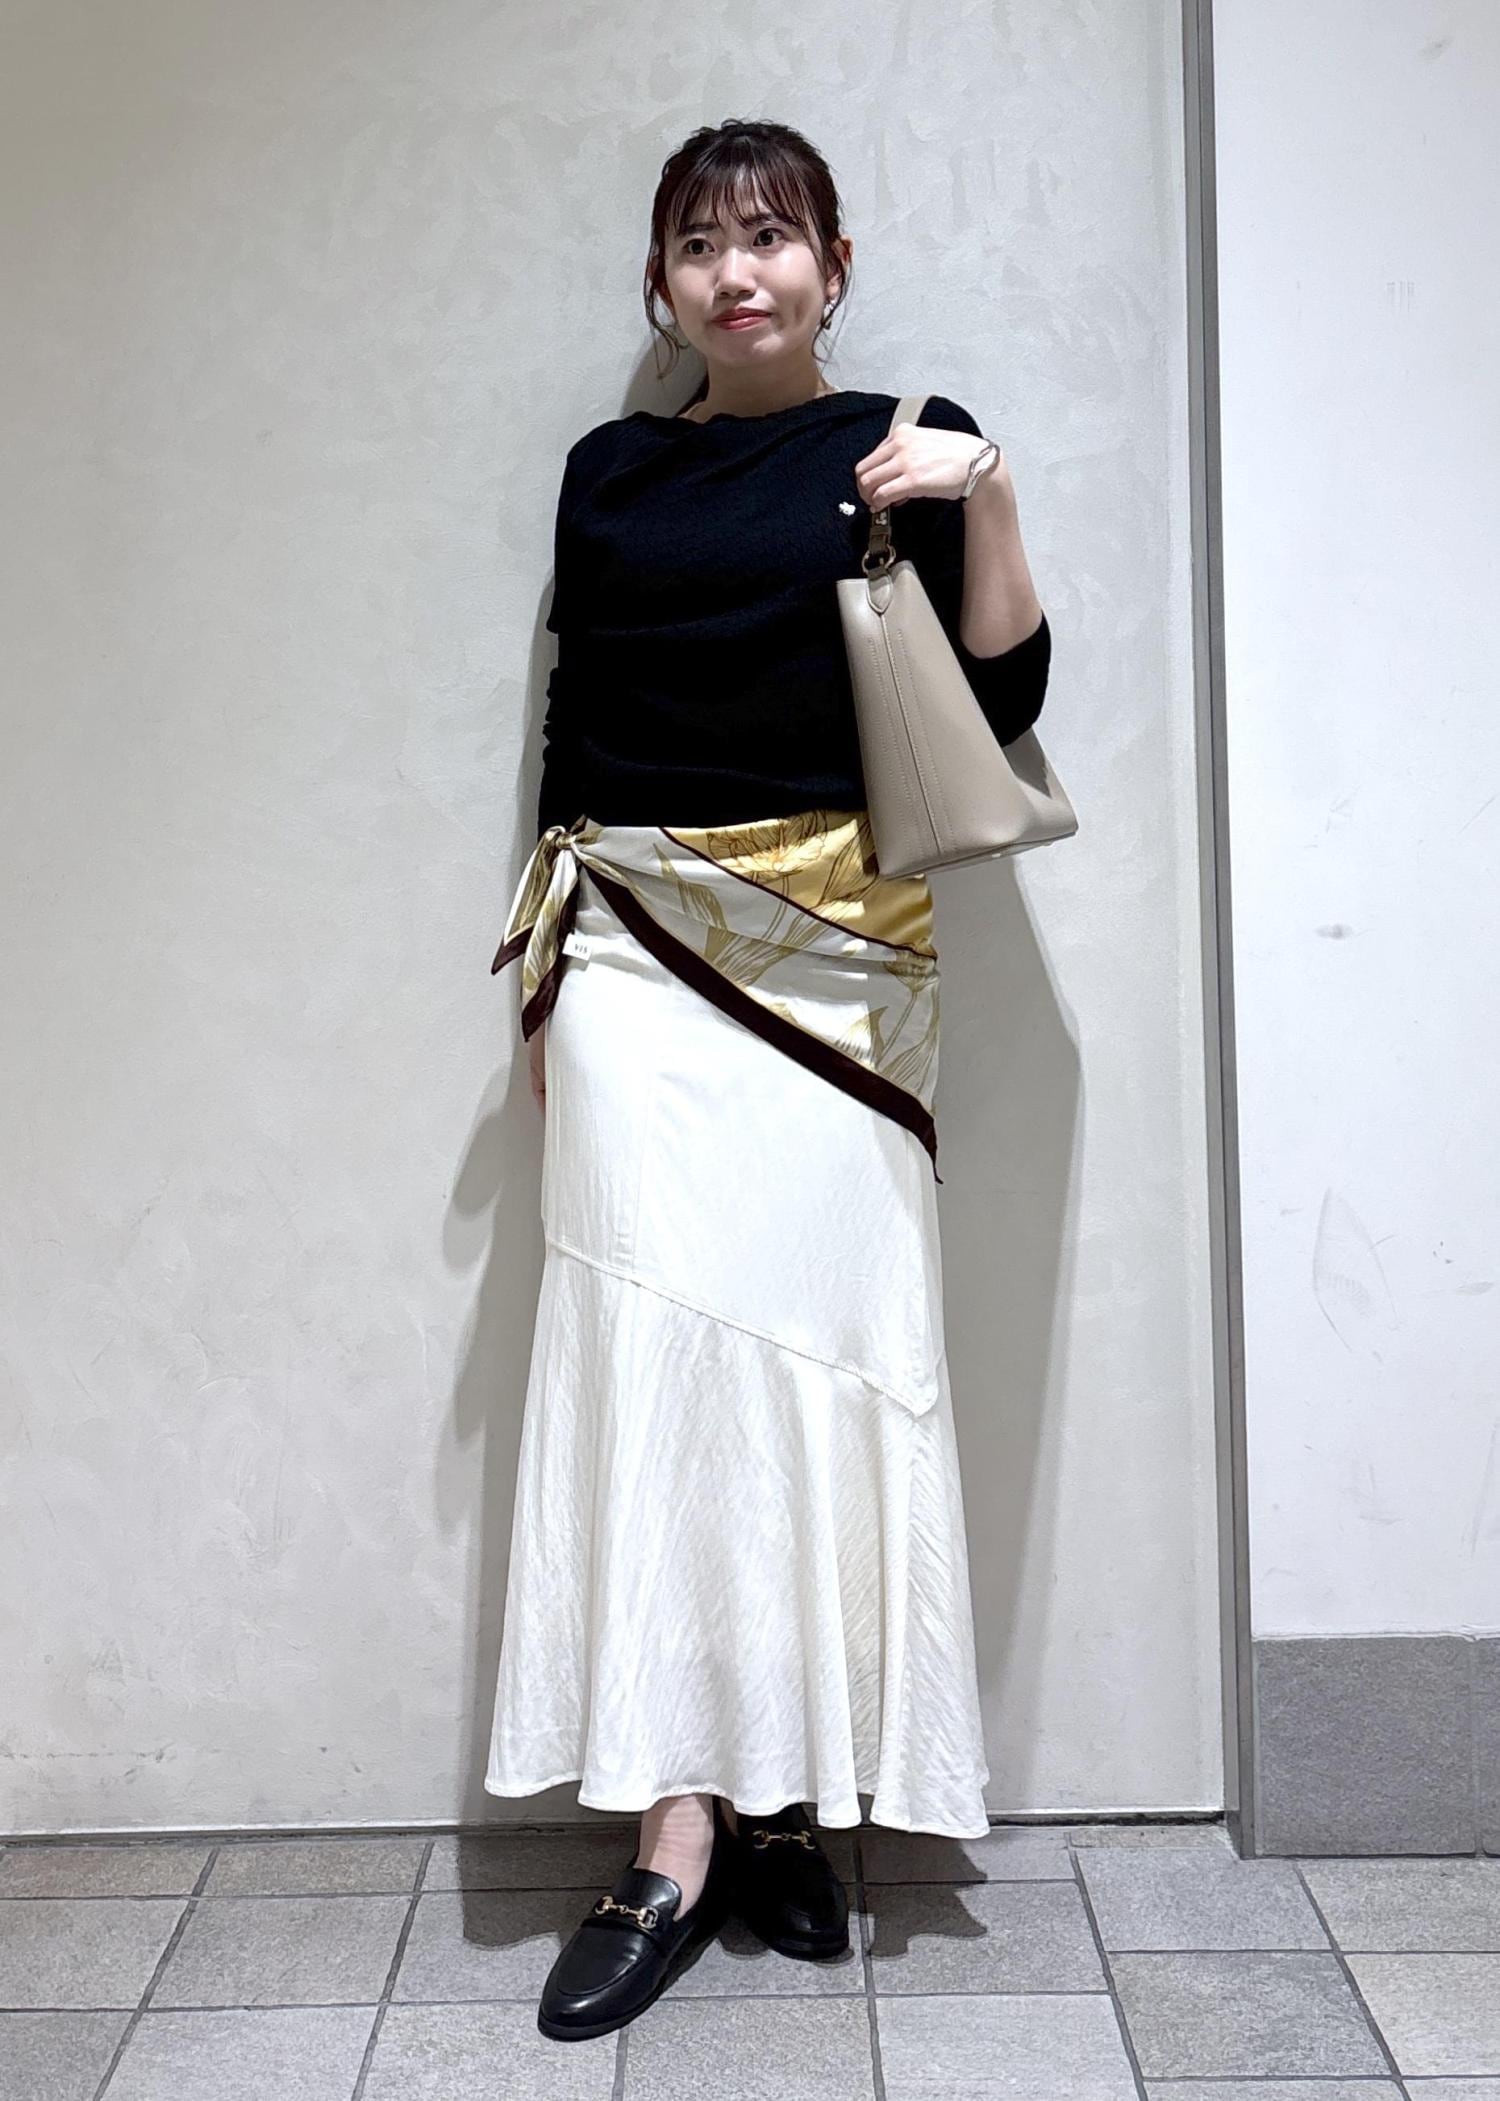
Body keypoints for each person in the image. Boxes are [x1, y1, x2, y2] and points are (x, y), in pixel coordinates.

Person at [484, 117, 1051, 2043]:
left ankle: (792, 1795)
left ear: (834, 264)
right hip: (635, 961)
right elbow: (572, 726)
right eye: (702, 245)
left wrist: (987, 487)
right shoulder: (609, 471)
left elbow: (1006, 703)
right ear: (661, 281)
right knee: (654, 1369)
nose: (740, 274)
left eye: (774, 237)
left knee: (820, 1365)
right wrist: (544, 984)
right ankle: (673, 1825)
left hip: (843, 967)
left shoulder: (904, 443)